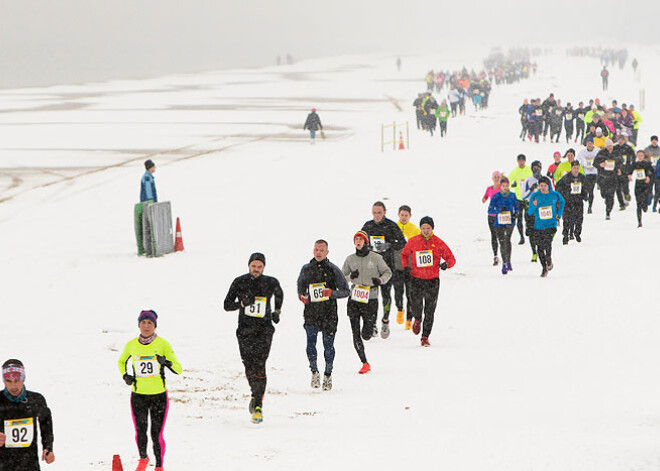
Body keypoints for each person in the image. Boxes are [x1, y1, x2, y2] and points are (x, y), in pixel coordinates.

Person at [224, 253, 283, 424]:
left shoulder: (270, 282)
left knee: (260, 363)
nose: (256, 269)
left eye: (259, 267)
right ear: (248, 266)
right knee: (249, 365)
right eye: (253, 266)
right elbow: (226, 305)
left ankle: (258, 404)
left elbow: (279, 294)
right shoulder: (239, 281)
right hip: (245, 330)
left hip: (264, 330)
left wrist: (276, 312)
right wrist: (241, 304)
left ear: (264, 267)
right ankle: (255, 394)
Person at [118, 310, 181, 471]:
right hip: (138, 395)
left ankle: (159, 466)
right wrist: (126, 375)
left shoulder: (163, 344)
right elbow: (121, 360)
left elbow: (179, 369)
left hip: (158, 396)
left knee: (156, 433)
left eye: (150, 323)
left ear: (155, 325)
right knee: (140, 430)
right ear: (139, 325)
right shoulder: (131, 344)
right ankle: (143, 458)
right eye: (143, 323)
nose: (146, 326)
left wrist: (166, 362)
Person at [297, 240, 350, 391]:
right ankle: (314, 372)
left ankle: (328, 374)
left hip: (329, 313)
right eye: (316, 249)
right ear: (313, 251)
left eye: (322, 250)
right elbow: (300, 288)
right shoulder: (306, 269)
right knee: (310, 344)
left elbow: (346, 291)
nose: (318, 252)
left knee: (328, 346)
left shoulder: (333, 269)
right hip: (311, 313)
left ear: (327, 252)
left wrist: (332, 293)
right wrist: (302, 296)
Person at [400, 217, 456, 346]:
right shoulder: (413, 241)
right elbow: (404, 254)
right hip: (416, 279)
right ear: (420, 228)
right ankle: (417, 319)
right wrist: (406, 267)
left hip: (432, 280)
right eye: (423, 228)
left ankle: (425, 337)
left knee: (430, 310)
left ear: (432, 229)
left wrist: (446, 265)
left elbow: (451, 258)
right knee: (416, 305)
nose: (425, 231)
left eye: (428, 228)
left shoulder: (438, 242)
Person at [342, 231, 392, 374]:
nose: (358, 241)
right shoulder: (350, 259)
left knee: (366, 334)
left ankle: (371, 329)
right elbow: (341, 278)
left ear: (366, 242)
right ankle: (364, 362)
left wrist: (380, 281)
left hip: (371, 299)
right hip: (354, 299)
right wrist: (350, 277)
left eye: (360, 239)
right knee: (355, 333)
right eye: (356, 239)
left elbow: (388, 272)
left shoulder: (376, 258)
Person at [361, 201, 406, 339]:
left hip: (387, 267)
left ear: (385, 212)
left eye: (379, 212)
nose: (377, 215)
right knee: (372, 297)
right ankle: (372, 324)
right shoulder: (367, 226)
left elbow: (402, 243)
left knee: (386, 295)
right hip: (371, 268)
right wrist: (366, 248)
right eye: (374, 212)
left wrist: (389, 245)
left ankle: (385, 321)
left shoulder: (391, 226)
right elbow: (358, 242)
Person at [0, 360, 54, 471]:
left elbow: (46, 425)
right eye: (8, 381)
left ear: (23, 379)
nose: (13, 386)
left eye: (17, 380)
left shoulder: (35, 400)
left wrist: (48, 447)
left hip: (28, 462)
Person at [528, 177, 565, 277]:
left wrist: (559, 213)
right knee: (539, 247)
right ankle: (544, 267)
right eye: (541, 186)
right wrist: (534, 205)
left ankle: (548, 259)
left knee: (547, 243)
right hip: (539, 226)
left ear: (548, 186)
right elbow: (530, 211)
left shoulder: (554, 194)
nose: (543, 188)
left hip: (551, 224)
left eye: (545, 186)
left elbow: (562, 202)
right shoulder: (535, 196)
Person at [394, 206, 421, 328]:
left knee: (410, 294)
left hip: (410, 268)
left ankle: (409, 318)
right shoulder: (394, 227)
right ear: (398, 215)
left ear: (410, 216)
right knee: (398, 292)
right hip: (397, 266)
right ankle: (400, 309)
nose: (404, 217)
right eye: (402, 215)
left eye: (406, 215)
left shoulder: (414, 230)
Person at [488, 177, 519, 274]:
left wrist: (516, 214)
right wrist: (498, 211)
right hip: (499, 222)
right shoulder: (496, 196)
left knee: (507, 240)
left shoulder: (513, 195)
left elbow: (517, 207)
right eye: (503, 186)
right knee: (502, 242)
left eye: (506, 186)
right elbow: (490, 209)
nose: (505, 188)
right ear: (500, 186)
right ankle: (504, 262)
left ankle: (508, 261)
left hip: (510, 221)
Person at [555, 161, 588, 243]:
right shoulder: (566, 178)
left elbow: (586, 188)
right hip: (568, 202)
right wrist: (562, 197)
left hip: (578, 201)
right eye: (574, 168)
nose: (576, 170)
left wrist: (585, 195)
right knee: (567, 219)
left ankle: (577, 233)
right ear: (571, 168)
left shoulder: (582, 177)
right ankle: (565, 235)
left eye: (577, 168)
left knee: (579, 218)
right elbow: (558, 187)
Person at [594, 139, 623, 219]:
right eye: (608, 146)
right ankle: (605, 197)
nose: (610, 147)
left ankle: (608, 211)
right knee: (604, 194)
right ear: (606, 147)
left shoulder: (616, 153)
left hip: (613, 177)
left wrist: (619, 169)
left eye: (611, 146)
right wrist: (600, 165)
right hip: (603, 177)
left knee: (611, 196)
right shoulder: (601, 153)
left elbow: (621, 162)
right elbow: (594, 163)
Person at [521, 160, 544, 263]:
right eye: (534, 168)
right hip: (530, 208)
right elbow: (523, 196)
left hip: (543, 209)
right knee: (531, 232)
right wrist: (531, 189)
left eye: (538, 168)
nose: (536, 170)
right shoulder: (528, 181)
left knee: (542, 232)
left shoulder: (545, 180)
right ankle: (534, 252)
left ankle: (541, 250)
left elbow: (552, 192)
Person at [508, 154, 533, 245]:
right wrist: (512, 185)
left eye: (522, 161)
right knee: (519, 218)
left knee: (528, 216)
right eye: (519, 161)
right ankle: (521, 236)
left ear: (525, 161)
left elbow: (533, 180)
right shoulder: (515, 171)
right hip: (518, 198)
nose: (521, 162)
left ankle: (527, 229)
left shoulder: (529, 170)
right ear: (517, 161)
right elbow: (508, 181)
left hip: (527, 198)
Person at [629, 150, 654, 227]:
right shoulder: (635, 164)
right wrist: (629, 176)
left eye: (641, 155)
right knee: (638, 204)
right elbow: (629, 171)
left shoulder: (647, 164)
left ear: (643, 156)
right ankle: (639, 222)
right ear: (637, 156)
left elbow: (653, 172)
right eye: (638, 155)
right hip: (638, 184)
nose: (640, 157)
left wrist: (648, 177)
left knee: (645, 200)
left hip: (645, 185)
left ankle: (645, 205)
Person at [482, 171, 502, 266]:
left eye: (498, 177)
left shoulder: (503, 188)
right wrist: (484, 199)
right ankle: (495, 256)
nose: (497, 178)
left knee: (501, 235)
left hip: (501, 216)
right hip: (491, 215)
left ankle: (504, 255)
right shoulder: (489, 189)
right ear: (492, 178)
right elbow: (485, 197)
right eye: (495, 177)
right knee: (493, 235)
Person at [576, 138, 600, 213]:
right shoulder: (582, 152)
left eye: (591, 143)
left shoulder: (597, 151)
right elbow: (577, 161)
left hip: (594, 173)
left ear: (593, 144)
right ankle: (585, 195)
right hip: (585, 174)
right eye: (588, 143)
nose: (589, 145)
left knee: (591, 190)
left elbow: (601, 160)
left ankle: (590, 207)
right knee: (584, 188)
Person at [613, 132, 634, 210]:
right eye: (619, 140)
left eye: (622, 140)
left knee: (625, 185)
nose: (620, 141)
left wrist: (631, 168)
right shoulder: (615, 148)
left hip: (626, 169)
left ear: (624, 140)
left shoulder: (628, 148)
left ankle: (626, 193)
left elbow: (633, 157)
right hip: (617, 170)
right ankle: (621, 204)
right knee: (618, 188)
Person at [643, 135, 660, 211]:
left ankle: (655, 204)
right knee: (649, 186)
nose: (654, 141)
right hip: (650, 171)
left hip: (658, 172)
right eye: (653, 140)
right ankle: (650, 196)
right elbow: (644, 159)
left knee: (657, 188)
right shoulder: (647, 149)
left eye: (655, 140)